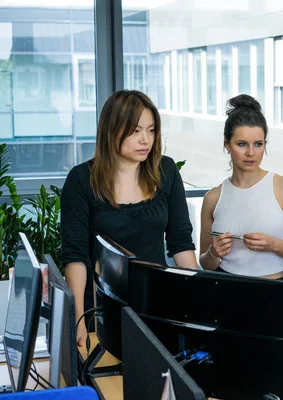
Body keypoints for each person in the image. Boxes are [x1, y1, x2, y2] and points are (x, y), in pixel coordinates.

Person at [61, 90, 197, 347]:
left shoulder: (166, 171)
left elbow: (181, 245)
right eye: (135, 131)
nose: (145, 140)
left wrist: (198, 301)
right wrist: (77, 317)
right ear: (112, 131)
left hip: (157, 308)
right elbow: (76, 257)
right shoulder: (81, 180)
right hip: (102, 313)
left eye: (151, 130)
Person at [199, 94, 283, 279]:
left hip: (272, 291)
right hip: (224, 290)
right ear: (227, 144)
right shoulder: (213, 198)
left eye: (258, 144)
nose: (251, 153)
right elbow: (205, 263)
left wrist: (273, 244)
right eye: (242, 144)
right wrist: (213, 253)